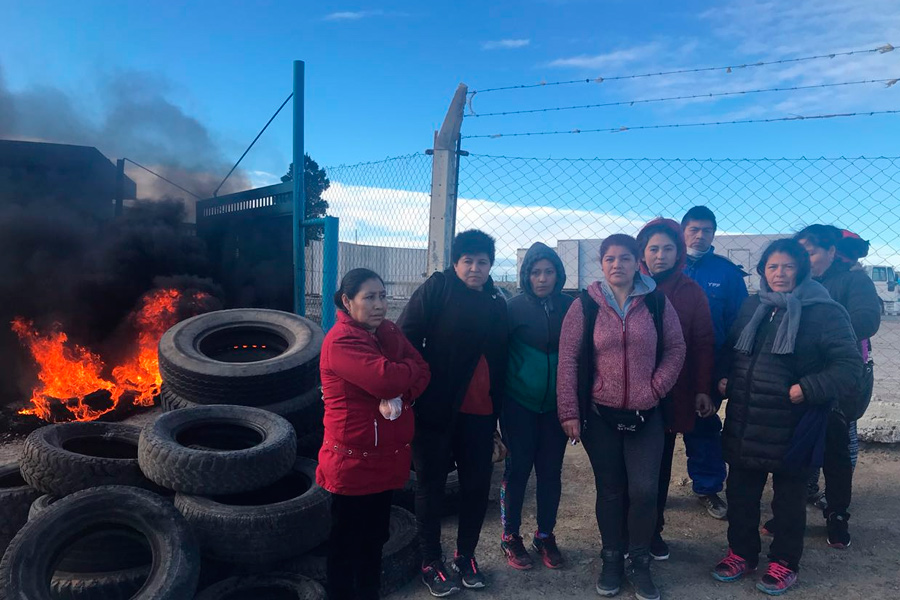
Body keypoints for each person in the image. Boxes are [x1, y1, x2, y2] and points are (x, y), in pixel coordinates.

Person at [712, 239, 862, 596]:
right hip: (747, 418)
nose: (780, 274)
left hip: (794, 424)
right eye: (772, 267)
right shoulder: (753, 306)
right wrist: (723, 377)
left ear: (803, 270)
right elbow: (732, 349)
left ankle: (784, 562)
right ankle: (741, 553)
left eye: (788, 267)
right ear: (763, 271)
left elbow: (848, 366)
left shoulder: (825, 311)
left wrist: (808, 388)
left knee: (789, 500)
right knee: (741, 494)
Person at [557, 234, 686, 600]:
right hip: (601, 416)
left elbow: (677, 347)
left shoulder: (657, 301)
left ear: (636, 262)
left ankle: (639, 561)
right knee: (611, 491)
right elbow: (569, 359)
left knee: (644, 491)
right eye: (611, 258)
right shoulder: (585, 305)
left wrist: (656, 388)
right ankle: (612, 558)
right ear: (602, 263)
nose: (618, 265)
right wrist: (569, 410)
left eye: (626, 258)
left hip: (647, 415)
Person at [397, 230, 508, 597]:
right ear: (456, 263)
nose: (475, 268)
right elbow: (405, 337)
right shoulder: (438, 289)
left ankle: (466, 556)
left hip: (481, 412)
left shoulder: (496, 301)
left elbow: (501, 357)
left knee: (476, 486)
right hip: (436, 409)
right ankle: (431, 560)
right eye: (468, 261)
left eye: (482, 262)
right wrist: (420, 385)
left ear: (491, 265)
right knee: (430, 485)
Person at [317, 268, 431, 600]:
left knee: (375, 539)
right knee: (346, 544)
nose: (379, 304)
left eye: (382, 295)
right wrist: (400, 379)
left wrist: (403, 392)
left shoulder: (388, 331)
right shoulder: (341, 340)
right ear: (347, 301)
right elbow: (386, 380)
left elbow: (424, 370)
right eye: (369, 297)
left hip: (385, 460)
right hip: (352, 464)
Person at [787, 225, 880, 549]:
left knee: (838, 449)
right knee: (798, 444)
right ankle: (793, 505)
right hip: (802, 376)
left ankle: (837, 514)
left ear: (830, 252)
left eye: (811, 252)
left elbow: (868, 319)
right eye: (802, 252)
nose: (805, 259)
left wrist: (822, 332)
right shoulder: (797, 282)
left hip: (841, 375)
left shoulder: (853, 279)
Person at [635, 219, 716, 561]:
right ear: (642, 252)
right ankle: (624, 530)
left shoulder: (690, 291)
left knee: (660, 463)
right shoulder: (628, 284)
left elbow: (702, 342)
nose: (660, 255)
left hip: (672, 392)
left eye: (668, 249)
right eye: (653, 248)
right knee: (627, 468)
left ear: (679, 252)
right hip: (627, 392)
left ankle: (653, 530)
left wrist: (702, 388)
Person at [499, 242, 573, 571]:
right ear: (526, 276)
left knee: (550, 473)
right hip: (518, 404)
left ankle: (545, 535)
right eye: (535, 272)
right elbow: (497, 357)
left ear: (558, 274)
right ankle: (510, 536)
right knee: (517, 470)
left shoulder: (572, 308)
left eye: (548, 271)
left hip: (555, 408)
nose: (542, 278)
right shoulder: (512, 309)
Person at [681, 206, 748, 519]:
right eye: (694, 228)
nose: (700, 235)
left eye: (707, 230)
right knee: (654, 431)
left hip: (709, 365)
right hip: (662, 364)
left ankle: (707, 487)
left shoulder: (727, 273)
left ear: (714, 234)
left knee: (704, 425)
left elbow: (740, 326)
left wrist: (725, 373)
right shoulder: (664, 266)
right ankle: (647, 489)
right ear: (682, 231)